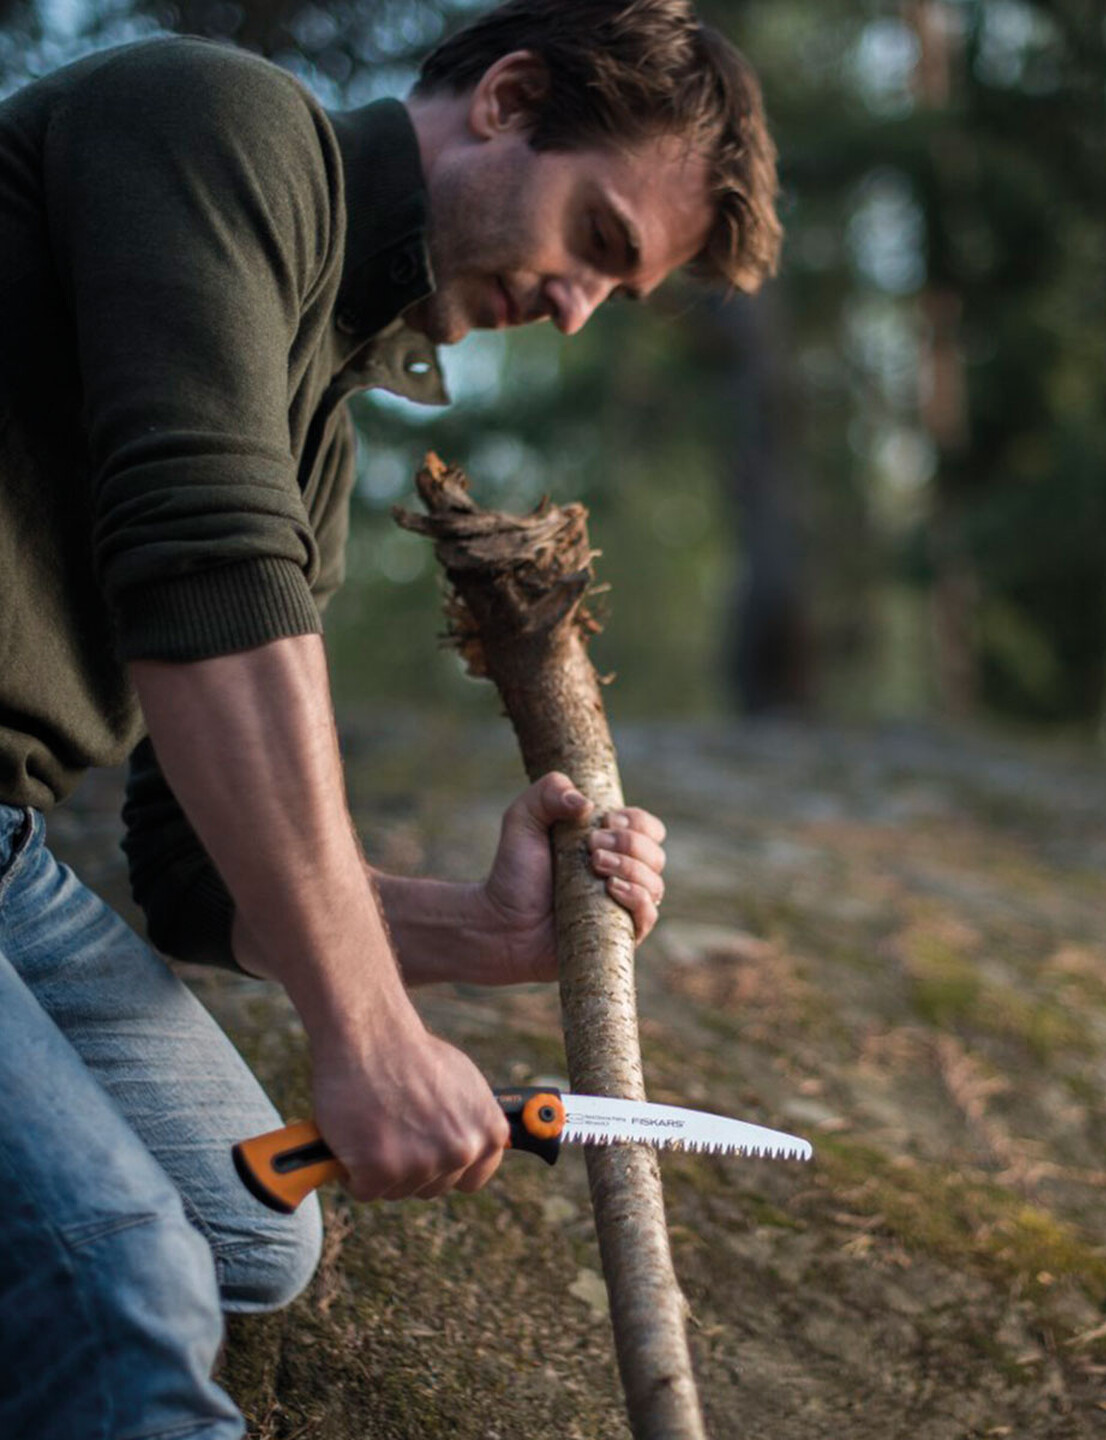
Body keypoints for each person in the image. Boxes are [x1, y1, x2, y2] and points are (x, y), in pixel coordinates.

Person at [0, 0, 781, 1434]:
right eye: (596, 238)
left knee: (248, 1226)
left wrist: (482, 935)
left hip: (8, 858)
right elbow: (202, 560)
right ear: (509, 98)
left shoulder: (316, 437)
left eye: (617, 292)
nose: (577, 308)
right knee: (120, 1285)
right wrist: (364, 1026)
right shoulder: (217, 125)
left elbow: (192, 872)